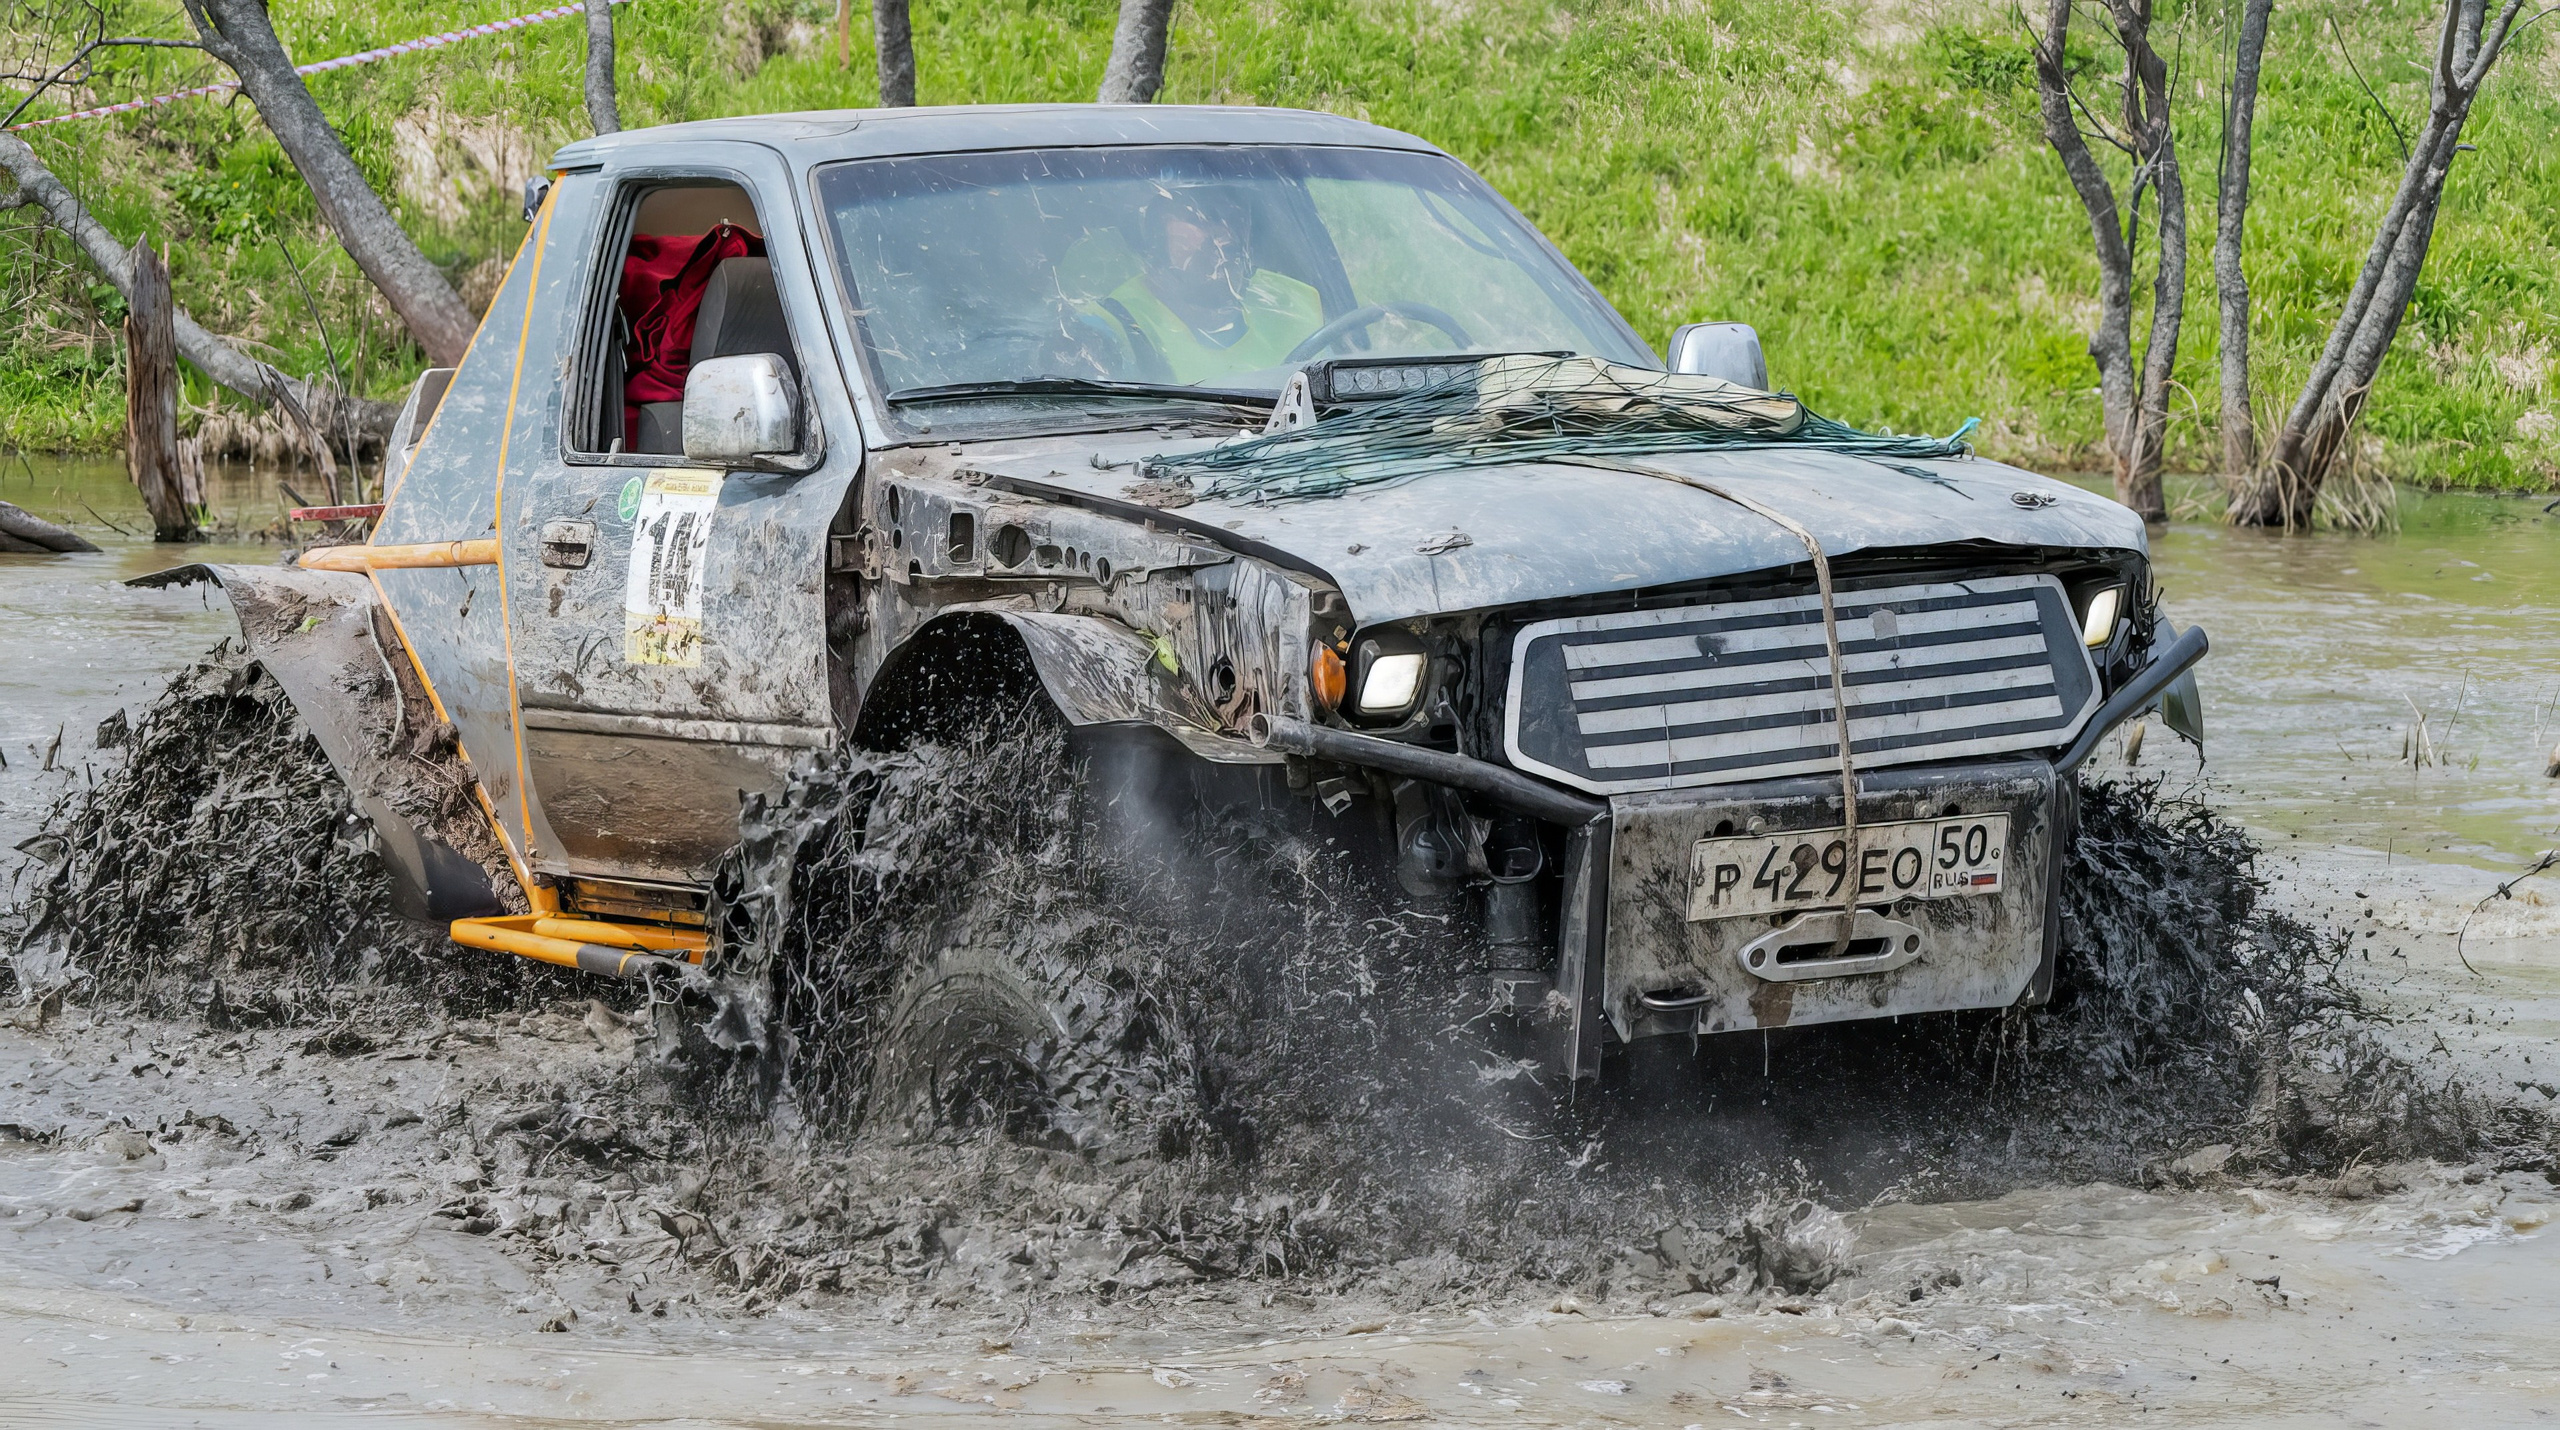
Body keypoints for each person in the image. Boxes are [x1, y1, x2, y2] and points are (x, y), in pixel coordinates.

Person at [1083, 187, 1323, 385]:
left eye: (1235, 217)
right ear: (1153, 237)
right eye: (1202, 217)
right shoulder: (1110, 326)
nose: (1225, 236)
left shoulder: (1296, 302)